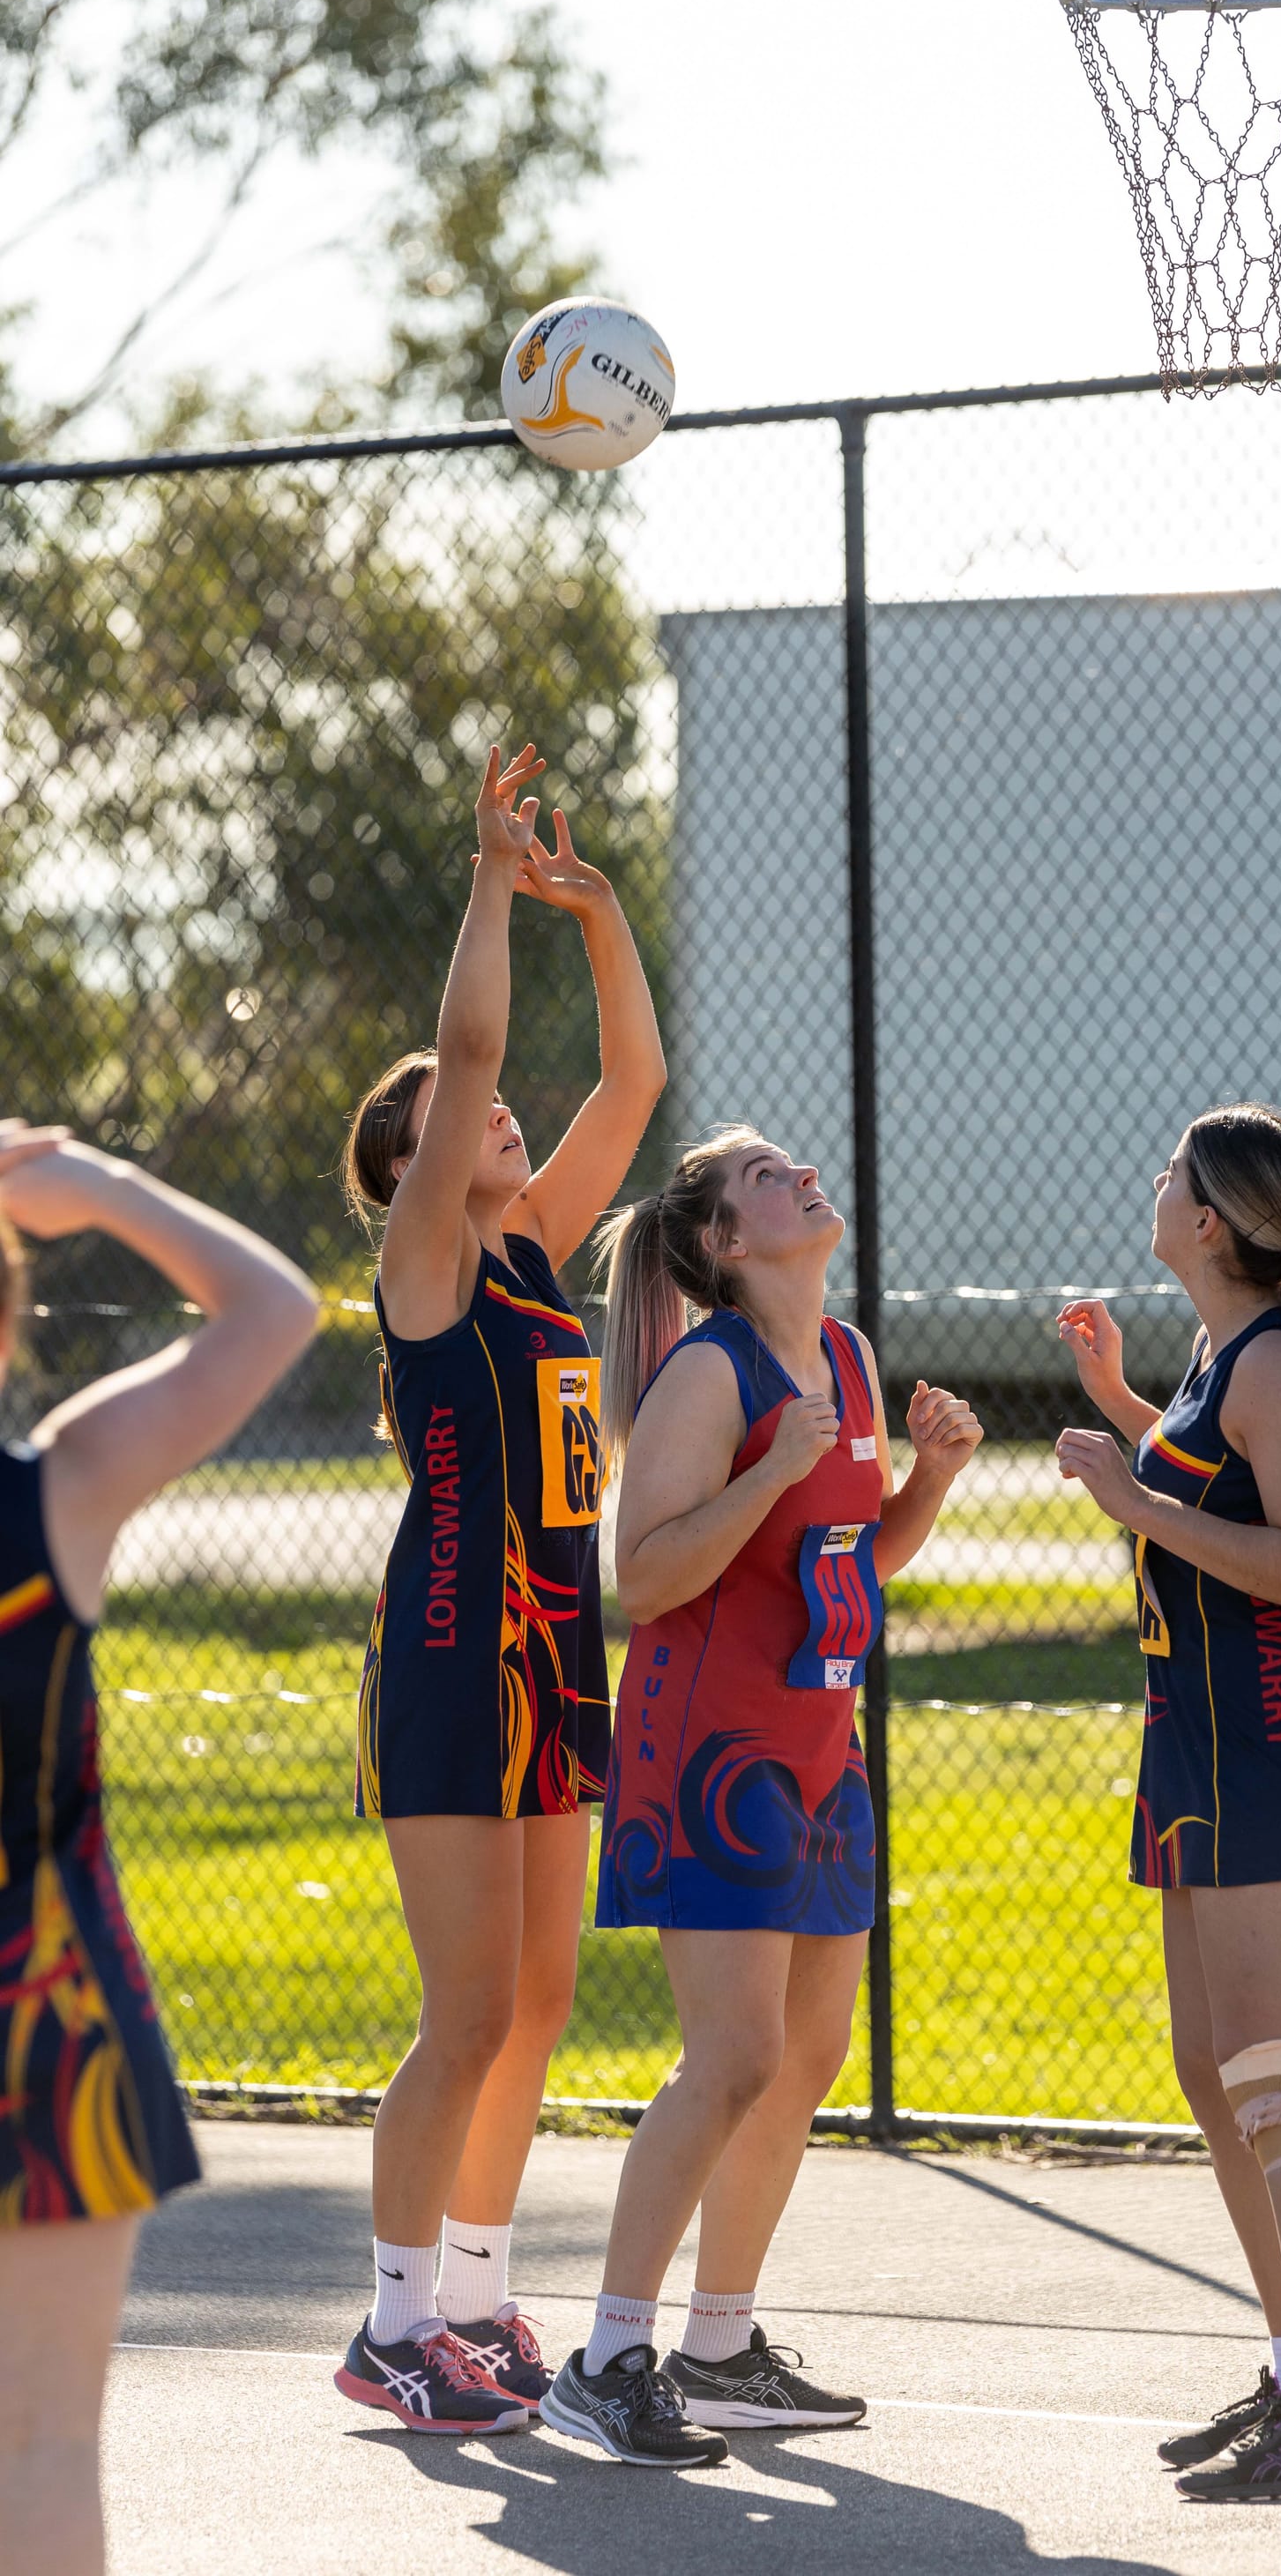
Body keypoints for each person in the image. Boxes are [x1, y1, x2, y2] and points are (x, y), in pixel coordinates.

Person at [538, 1129, 981, 2466]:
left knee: (805, 2059)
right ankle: (607, 2357)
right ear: (725, 1245)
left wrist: (933, 1482)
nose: (801, 1179)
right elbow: (649, 1578)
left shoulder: (841, 1359)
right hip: (708, 1756)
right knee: (729, 2058)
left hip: (818, 1757)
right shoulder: (706, 1373)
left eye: (798, 1167)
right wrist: (771, 1470)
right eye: (767, 1180)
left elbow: (854, 1556)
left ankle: (719, 2346)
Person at [334, 741, 665, 2432]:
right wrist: (483, 875)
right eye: (441, 1118)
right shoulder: (430, 1259)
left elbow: (632, 1081)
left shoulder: (532, 1243)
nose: (483, 1107)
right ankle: (388, 2328)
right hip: (459, 1652)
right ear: (404, 1164)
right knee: (463, 2013)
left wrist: (596, 908)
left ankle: (471, 2297)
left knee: (539, 2001)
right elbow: (471, 1045)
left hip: (555, 1651)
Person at [1054, 1105, 1281, 2502]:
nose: (1155, 1185)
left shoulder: (1277, 1368)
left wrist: (1136, 1505)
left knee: (1278, 2079)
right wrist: (1130, 1410)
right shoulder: (1218, 1353)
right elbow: (1217, 1482)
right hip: (1196, 1745)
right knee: (1213, 2076)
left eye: (1173, 1177)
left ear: (1209, 1222)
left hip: (1272, 1742)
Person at [0, 1122, 318, 2572]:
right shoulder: (55, 1488)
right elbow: (276, 1312)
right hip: (43, 2018)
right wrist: (100, 1191)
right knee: (44, 2445)